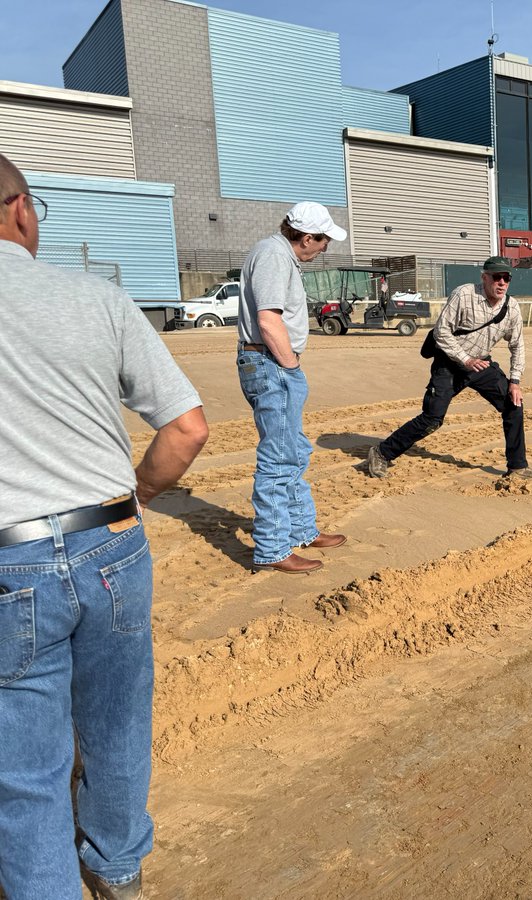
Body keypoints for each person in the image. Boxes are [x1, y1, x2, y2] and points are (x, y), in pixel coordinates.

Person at [0, 153, 209, 900]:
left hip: (10, 558)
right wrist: (140, 493)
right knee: (118, 721)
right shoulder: (98, 299)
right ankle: (117, 867)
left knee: (25, 770)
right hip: (112, 542)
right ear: (21, 209)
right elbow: (187, 429)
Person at [237, 202, 348, 575]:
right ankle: (272, 548)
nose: (325, 248)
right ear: (307, 237)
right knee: (279, 458)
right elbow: (268, 321)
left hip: (271, 362)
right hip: (271, 363)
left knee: (294, 450)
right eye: (324, 240)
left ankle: (301, 529)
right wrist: (291, 366)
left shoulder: (280, 255)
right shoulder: (273, 255)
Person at [366, 256, 532, 481]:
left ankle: (518, 467)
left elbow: (517, 345)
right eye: (497, 277)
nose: (502, 282)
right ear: (484, 277)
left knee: (514, 405)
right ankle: (382, 452)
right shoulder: (464, 294)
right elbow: (441, 331)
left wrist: (515, 381)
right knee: (432, 418)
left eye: (506, 278)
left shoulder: (511, 307)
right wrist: (465, 359)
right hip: (449, 364)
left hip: (481, 364)